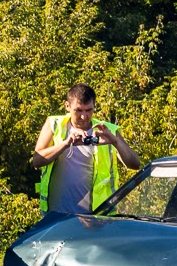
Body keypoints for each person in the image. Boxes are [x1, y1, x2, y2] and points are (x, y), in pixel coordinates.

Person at [33, 83, 141, 215]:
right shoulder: (54, 124)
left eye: (89, 110)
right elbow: (37, 161)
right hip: (56, 215)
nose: (84, 116)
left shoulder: (106, 130)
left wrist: (115, 141)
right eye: (78, 110)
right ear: (67, 106)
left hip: (97, 217)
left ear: (95, 106)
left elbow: (135, 164)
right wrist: (65, 144)